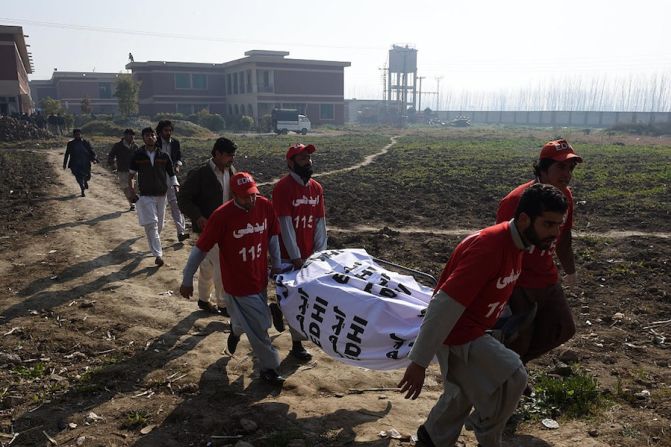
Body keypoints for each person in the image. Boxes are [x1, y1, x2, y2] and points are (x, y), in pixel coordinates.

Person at [398, 183, 568, 447]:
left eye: (558, 225)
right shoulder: (489, 247)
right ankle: (487, 435)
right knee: (514, 375)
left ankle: (430, 439)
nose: (555, 233)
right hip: (457, 334)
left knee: (461, 394)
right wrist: (418, 362)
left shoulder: (519, 244)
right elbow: (443, 304)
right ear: (524, 219)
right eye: (548, 224)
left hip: (474, 331)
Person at [179, 172, 286, 385]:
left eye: (253, 195)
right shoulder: (222, 216)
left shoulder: (265, 207)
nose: (251, 200)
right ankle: (270, 367)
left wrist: (277, 263)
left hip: (259, 277)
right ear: (233, 195)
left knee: (247, 320)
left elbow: (273, 235)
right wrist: (187, 278)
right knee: (261, 325)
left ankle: (235, 330)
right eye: (245, 197)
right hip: (237, 283)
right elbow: (200, 248)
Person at [495, 139, 582, 365]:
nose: (567, 174)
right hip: (519, 280)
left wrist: (570, 271)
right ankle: (507, 374)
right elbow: (500, 244)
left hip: (546, 277)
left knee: (563, 328)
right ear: (543, 169)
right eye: (561, 167)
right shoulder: (515, 201)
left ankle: (513, 368)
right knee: (519, 337)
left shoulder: (565, 197)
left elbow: (564, 237)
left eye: (570, 168)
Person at [270, 143, 327, 361]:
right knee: (295, 299)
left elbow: (320, 222)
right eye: (302, 159)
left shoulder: (316, 188)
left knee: (302, 299)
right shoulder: (282, 188)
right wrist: (295, 257)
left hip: (308, 256)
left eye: (308, 158)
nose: (308, 162)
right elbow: (285, 225)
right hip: (287, 256)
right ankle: (296, 345)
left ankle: (278, 310)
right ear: (290, 163)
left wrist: (320, 254)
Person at [178, 137, 237, 316]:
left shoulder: (231, 171)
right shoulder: (200, 174)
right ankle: (224, 304)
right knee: (221, 265)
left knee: (208, 265)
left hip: (227, 228)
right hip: (208, 227)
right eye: (228, 155)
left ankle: (204, 299)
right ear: (217, 153)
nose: (232, 158)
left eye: (233, 155)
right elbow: (183, 199)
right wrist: (198, 217)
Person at [128, 127, 179, 267]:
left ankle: (153, 244)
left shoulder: (163, 156)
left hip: (162, 194)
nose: (150, 137)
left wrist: (175, 185)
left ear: (156, 137)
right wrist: (132, 191)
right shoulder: (138, 156)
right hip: (145, 195)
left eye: (152, 135)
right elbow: (131, 175)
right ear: (143, 138)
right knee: (153, 224)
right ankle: (158, 255)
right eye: (146, 135)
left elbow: (171, 173)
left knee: (159, 225)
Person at [156, 120, 189, 242]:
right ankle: (156, 233)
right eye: (166, 130)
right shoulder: (155, 143)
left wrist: (178, 165)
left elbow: (179, 157)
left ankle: (181, 232)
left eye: (170, 130)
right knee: (160, 206)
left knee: (175, 204)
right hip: (157, 177)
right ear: (160, 131)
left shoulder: (175, 143)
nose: (168, 132)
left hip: (171, 176)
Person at [108, 128, 139, 211]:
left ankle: (133, 201)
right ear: (125, 136)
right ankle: (132, 203)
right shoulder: (118, 146)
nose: (131, 137)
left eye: (132, 135)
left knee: (134, 187)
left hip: (134, 171)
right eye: (129, 135)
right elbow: (111, 156)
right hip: (122, 170)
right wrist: (112, 164)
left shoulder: (135, 146)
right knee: (125, 187)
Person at [63, 129, 97, 197]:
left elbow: (91, 151)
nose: (77, 136)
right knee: (78, 176)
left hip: (85, 162)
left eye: (78, 134)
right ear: (73, 135)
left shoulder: (85, 142)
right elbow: (67, 154)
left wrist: (94, 159)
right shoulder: (70, 143)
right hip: (74, 163)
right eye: (76, 134)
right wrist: (65, 163)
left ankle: (85, 181)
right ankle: (82, 188)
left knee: (88, 176)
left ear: (80, 134)